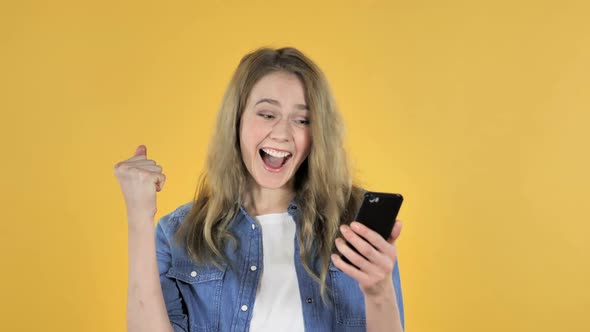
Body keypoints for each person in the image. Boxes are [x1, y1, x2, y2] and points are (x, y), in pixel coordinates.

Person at [114, 46, 405, 332]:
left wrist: (379, 292)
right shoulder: (179, 233)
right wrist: (139, 216)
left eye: (302, 120)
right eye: (267, 114)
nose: (281, 133)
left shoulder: (353, 224)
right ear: (236, 120)